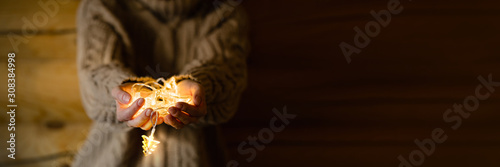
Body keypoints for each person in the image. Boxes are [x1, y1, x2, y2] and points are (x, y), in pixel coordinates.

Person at [72, 0, 249, 166]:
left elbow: (227, 71)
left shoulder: (225, 9)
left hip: (200, 157)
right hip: (109, 157)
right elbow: (95, 73)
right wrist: (120, 92)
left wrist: (203, 85)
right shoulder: (102, 6)